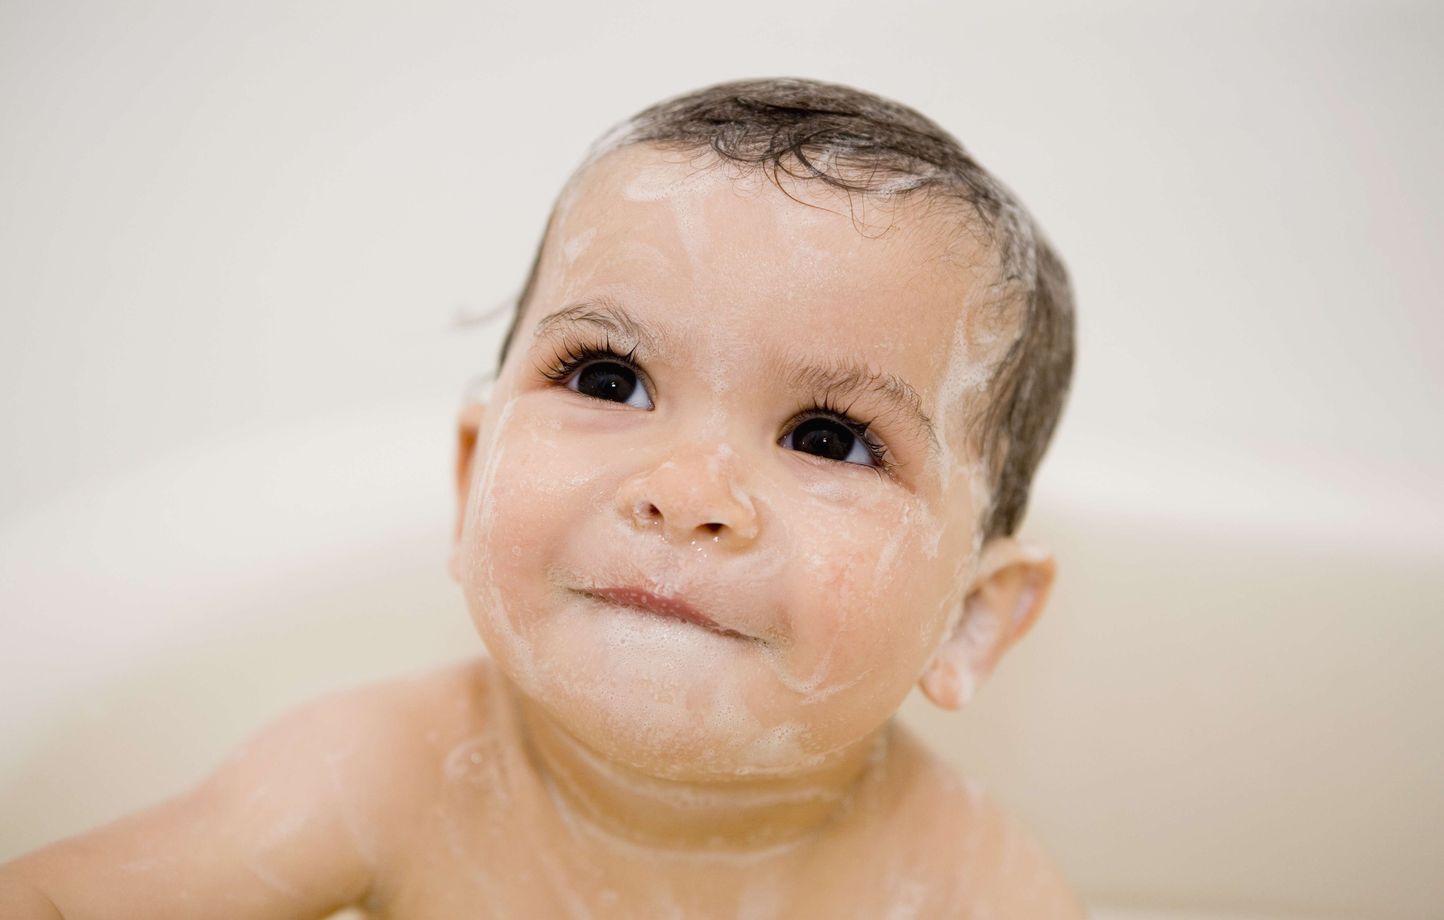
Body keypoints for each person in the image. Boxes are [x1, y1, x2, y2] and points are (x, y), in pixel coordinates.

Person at [0, 76, 1083, 918]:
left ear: (969, 617)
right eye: (608, 378)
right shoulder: (387, 770)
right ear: (471, 476)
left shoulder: (967, 882)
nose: (685, 493)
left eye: (828, 438)